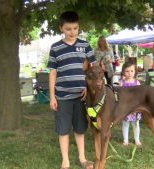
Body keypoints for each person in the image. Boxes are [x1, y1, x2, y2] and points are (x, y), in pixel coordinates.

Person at [47, 11, 95, 169]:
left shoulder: (85, 45)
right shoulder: (55, 48)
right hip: (62, 96)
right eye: (68, 28)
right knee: (63, 130)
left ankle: (82, 158)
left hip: (81, 97)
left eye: (75, 28)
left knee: (80, 129)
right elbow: (53, 73)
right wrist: (53, 97)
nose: (72, 31)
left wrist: (88, 88)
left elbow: (92, 71)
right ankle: (65, 161)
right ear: (61, 28)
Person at [119, 62, 142, 146]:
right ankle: (126, 140)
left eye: (132, 71)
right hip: (125, 107)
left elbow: (139, 96)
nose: (129, 73)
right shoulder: (121, 83)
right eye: (127, 71)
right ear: (123, 72)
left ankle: (137, 140)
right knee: (125, 124)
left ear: (135, 71)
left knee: (136, 124)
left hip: (135, 107)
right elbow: (120, 96)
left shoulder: (137, 83)